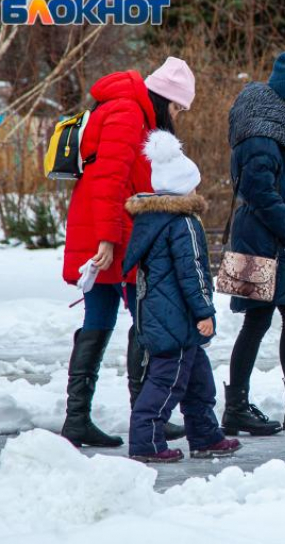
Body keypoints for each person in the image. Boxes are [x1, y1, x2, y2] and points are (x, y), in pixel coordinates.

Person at [60, 57, 194, 447]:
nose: (177, 116)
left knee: (109, 316)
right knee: (142, 314)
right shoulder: (126, 112)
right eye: (177, 108)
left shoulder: (129, 110)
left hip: (111, 228)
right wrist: (106, 239)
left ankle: (90, 417)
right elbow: (109, 178)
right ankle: (137, 412)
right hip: (109, 232)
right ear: (163, 97)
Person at [123, 129, 240, 463]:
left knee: (198, 380)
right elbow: (194, 273)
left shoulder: (154, 219)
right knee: (167, 381)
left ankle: (204, 435)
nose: (197, 188)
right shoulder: (184, 224)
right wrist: (205, 311)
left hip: (162, 314)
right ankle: (146, 441)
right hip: (177, 318)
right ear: (182, 187)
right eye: (194, 183)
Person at [223, 52, 285, 435]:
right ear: (281, 99)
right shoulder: (259, 133)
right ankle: (236, 407)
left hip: (278, 230)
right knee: (257, 319)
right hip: (260, 232)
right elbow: (259, 191)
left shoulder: (278, 128)